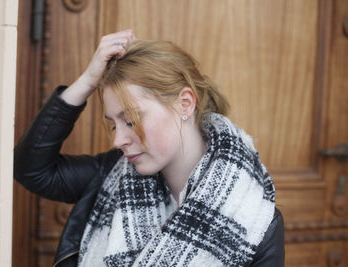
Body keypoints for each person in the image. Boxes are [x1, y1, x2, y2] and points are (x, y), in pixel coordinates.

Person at [14, 30, 284, 267]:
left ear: (185, 104)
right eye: (113, 125)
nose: (118, 140)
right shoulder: (108, 176)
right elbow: (31, 170)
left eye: (131, 120)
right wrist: (87, 81)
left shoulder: (254, 219)